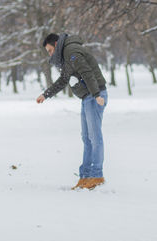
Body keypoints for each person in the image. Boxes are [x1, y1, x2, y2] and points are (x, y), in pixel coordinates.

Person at [36, 33, 108, 190]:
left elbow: (87, 72)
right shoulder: (66, 55)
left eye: (49, 50)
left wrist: (96, 95)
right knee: (86, 138)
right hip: (87, 97)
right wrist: (45, 94)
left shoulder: (71, 51)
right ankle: (85, 177)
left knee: (95, 137)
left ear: (56, 44)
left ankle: (97, 176)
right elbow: (63, 80)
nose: (50, 54)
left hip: (95, 95)